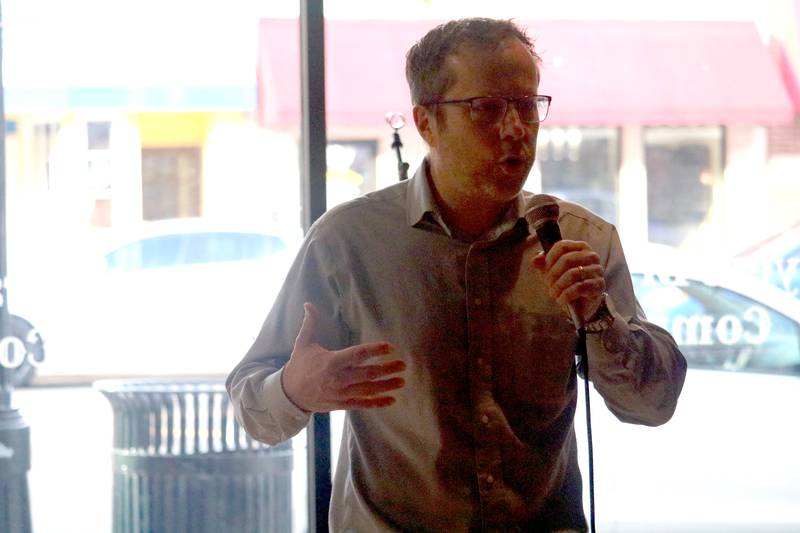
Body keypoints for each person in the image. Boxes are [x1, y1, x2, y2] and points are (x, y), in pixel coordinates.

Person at [227, 17, 687, 532]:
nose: (515, 128)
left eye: (527, 105)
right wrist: (293, 388)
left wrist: (601, 320)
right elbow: (250, 406)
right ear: (426, 124)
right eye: (487, 109)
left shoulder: (581, 241)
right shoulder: (348, 243)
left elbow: (653, 406)